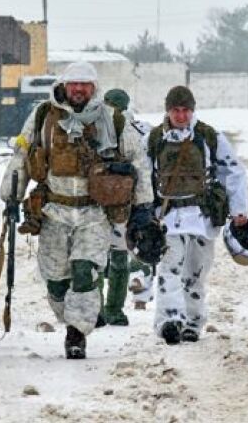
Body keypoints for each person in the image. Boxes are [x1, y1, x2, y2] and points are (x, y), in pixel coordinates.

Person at [0, 62, 153, 359]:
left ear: (94, 88)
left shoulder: (112, 119)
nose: (79, 89)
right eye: (74, 84)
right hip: (54, 211)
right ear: (65, 86)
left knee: (84, 272)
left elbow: (139, 162)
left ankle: (76, 335)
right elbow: (22, 154)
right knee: (56, 280)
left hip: (94, 214)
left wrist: (144, 208)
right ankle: (70, 313)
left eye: (85, 84)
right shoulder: (44, 115)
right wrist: (11, 197)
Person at [146, 85, 248, 345]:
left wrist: (238, 210)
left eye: (185, 110)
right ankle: (169, 320)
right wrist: (142, 212)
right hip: (167, 217)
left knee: (196, 273)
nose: (181, 116)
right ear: (168, 110)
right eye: (175, 110)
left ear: (192, 111)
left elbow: (233, 172)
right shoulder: (154, 139)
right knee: (169, 267)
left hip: (202, 218)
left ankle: (193, 322)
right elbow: (143, 175)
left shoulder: (208, 137)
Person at [94, 88, 154, 325]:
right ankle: (112, 310)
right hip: (121, 203)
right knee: (117, 259)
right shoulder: (136, 130)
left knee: (99, 259)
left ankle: (100, 310)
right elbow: (143, 168)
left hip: (105, 200)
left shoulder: (99, 126)